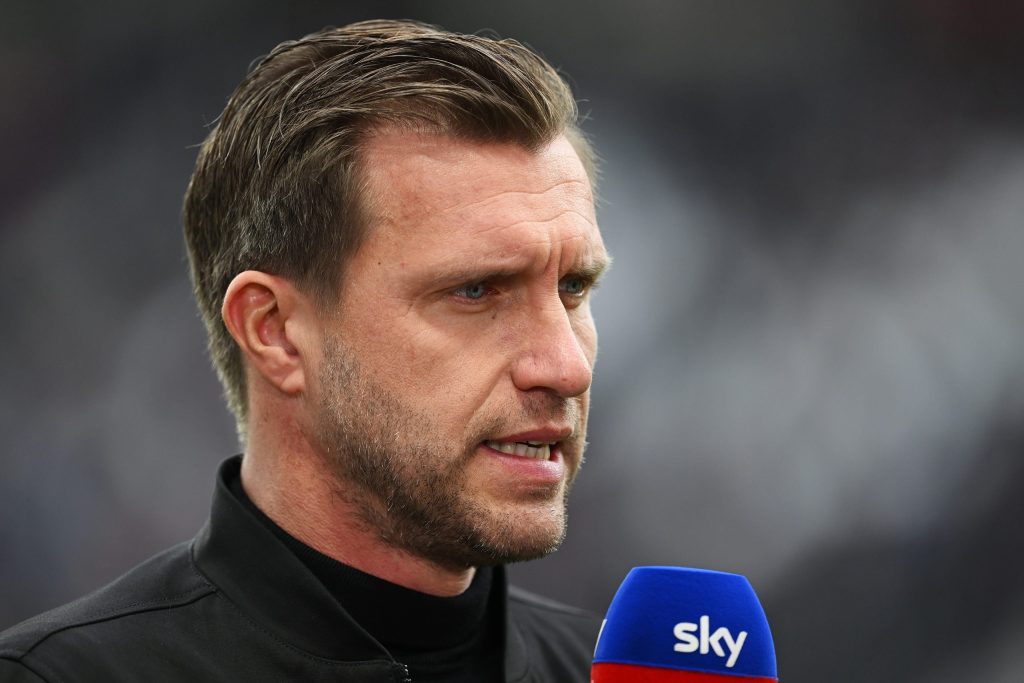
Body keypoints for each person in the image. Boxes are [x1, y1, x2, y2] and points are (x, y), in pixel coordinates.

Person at [0, 18, 610, 683]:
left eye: (574, 287)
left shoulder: (613, 670)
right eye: (474, 290)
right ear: (276, 332)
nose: (567, 366)